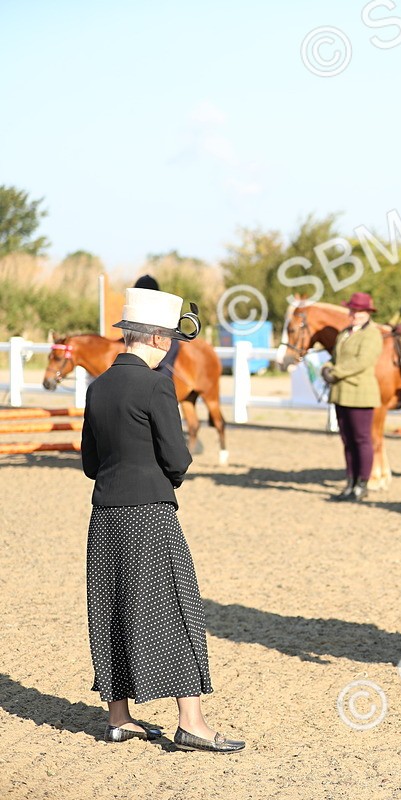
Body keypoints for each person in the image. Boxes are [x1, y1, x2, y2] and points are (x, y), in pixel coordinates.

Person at [81, 287, 244, 753]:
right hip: (150, 512)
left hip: (105, 514)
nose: (171, 345)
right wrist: (168, 472)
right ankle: (191, 721)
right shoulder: (156, 385)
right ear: (154, 338)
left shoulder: (99, 386)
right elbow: (177, 458)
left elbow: (90, 461)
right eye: (169, 338)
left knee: (111, 609)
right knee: (174, 609)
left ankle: (119, 718)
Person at [321, 292, 383, 502]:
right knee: (347, 440)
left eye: (359, 311)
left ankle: (362, 484)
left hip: (360, 393)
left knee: (361, 440)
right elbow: (334, 357)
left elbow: (362, 362)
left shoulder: (372, 335)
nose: (355, 314)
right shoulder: (345, 333)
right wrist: (327, 367)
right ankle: (350, 482)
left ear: (367, 313)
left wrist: (335, 372)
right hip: (341, 393)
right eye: (353, 310)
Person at [132, 274, 181, 376]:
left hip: (161, 360)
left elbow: (173, 341)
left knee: (163, 372)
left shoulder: (163, 311)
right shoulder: (135, 312)